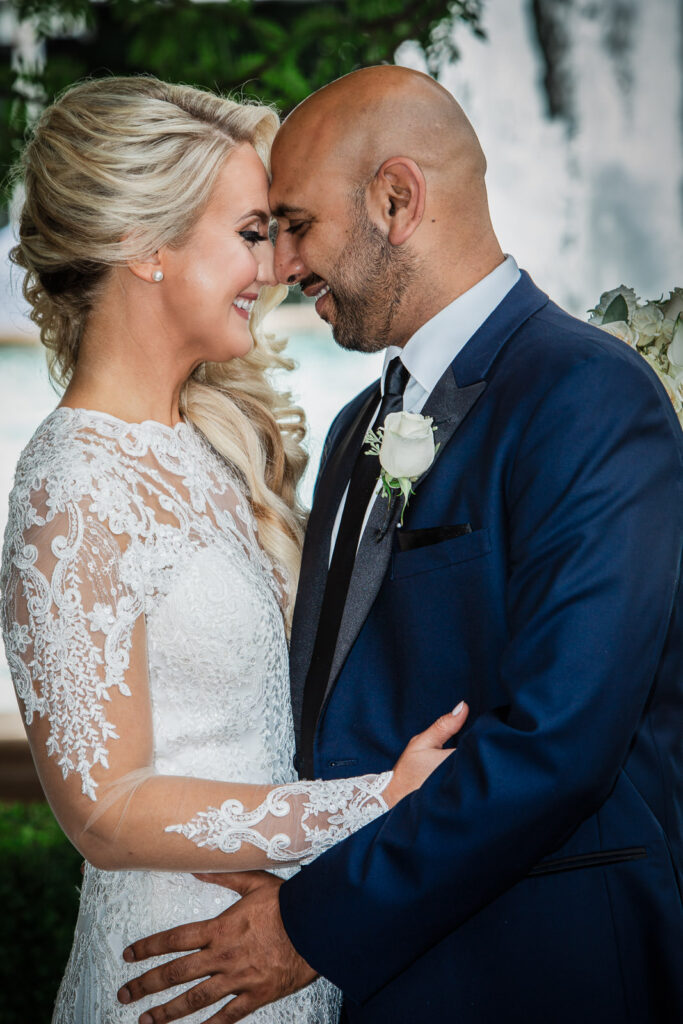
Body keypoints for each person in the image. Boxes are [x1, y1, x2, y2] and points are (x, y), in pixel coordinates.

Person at [122, 66, 683, 1024]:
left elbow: (561, 742)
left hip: (537, 973)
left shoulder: (590, 395)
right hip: (383, 979)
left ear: (395, 199)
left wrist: (311, 925)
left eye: (294, 224)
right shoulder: (353, 430)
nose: (278, 265)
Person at [0, 75, 467, 1024]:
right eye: (253, 233)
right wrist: (373, 802)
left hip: (280, 946)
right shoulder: (72, 478)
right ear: (146, 247)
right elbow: (101, 808)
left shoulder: (213, 445)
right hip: (173, 975)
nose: (279, 265)